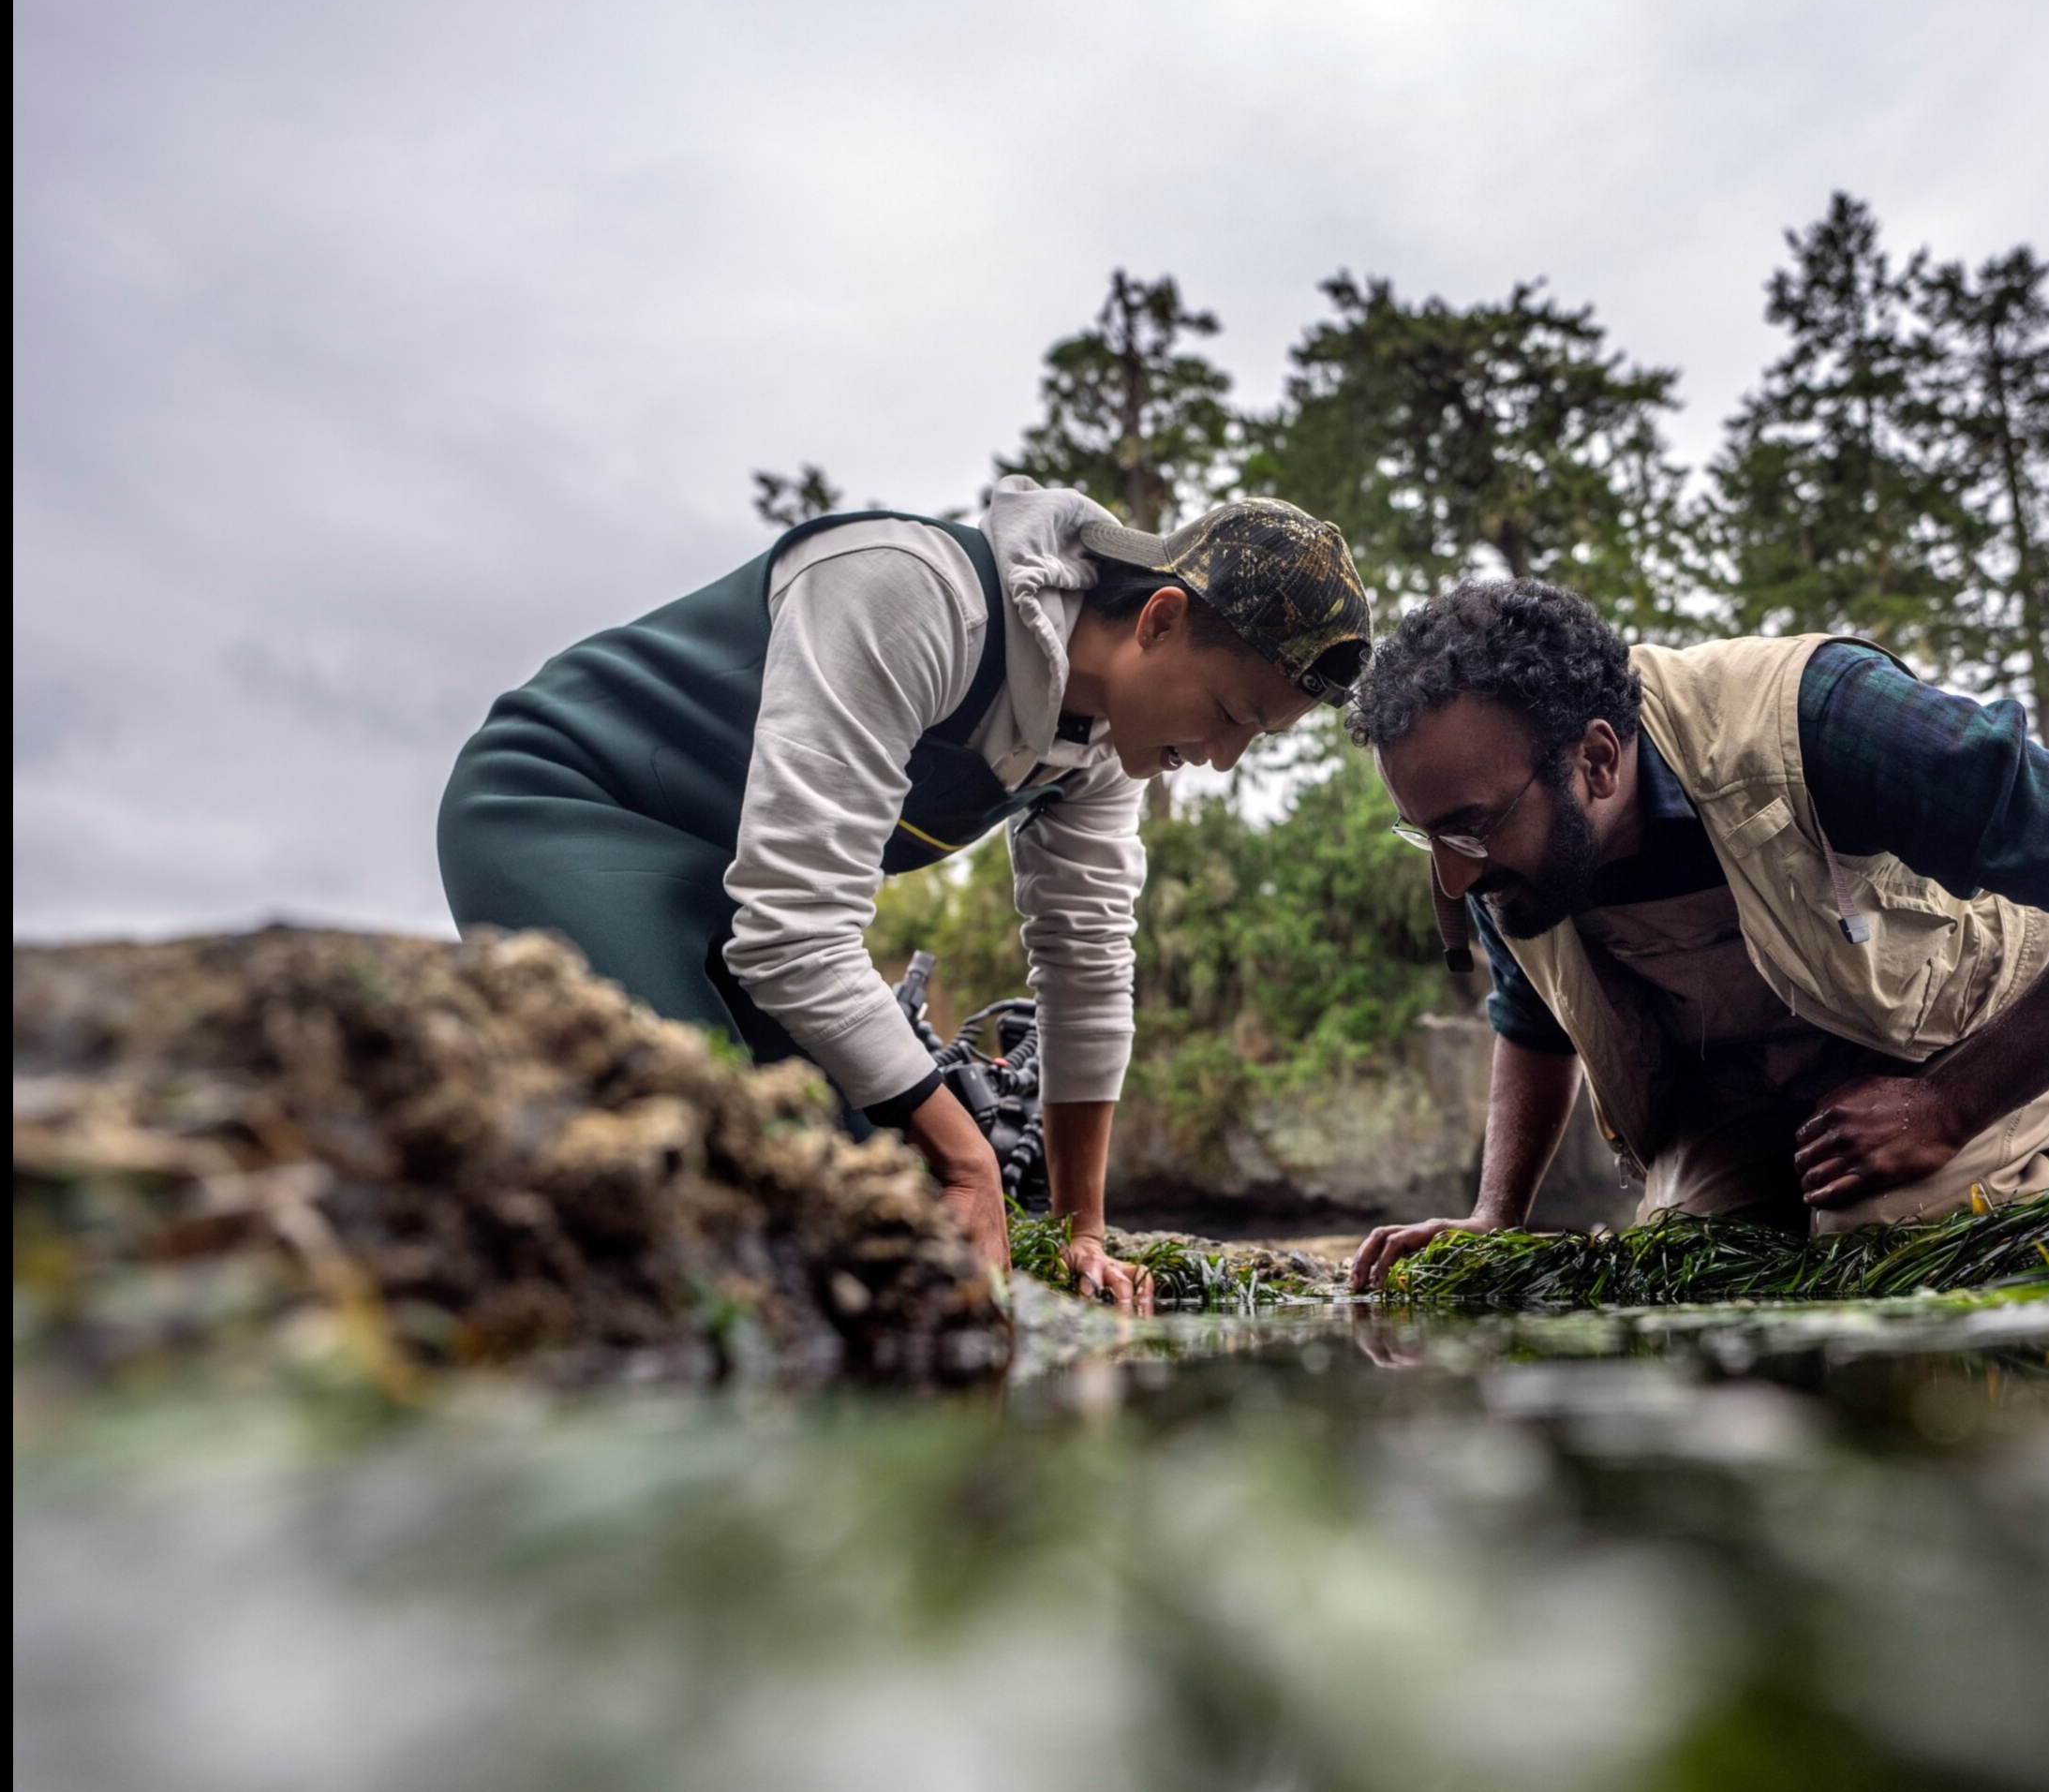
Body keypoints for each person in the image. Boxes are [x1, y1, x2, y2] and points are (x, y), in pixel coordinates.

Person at [439, 478, 1373, 1311]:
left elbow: (1085, 971)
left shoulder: (1100, 747)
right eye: (1231, 716)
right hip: (563, 806)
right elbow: (796, 928)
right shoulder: (909, 593)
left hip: (730, 907)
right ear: (1160, 619)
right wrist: (971, 1155)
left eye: (1259, 739)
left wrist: (1083, 1229)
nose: (1222, 759)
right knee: (710, 1180)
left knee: (866, 1200)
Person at [1347, 582, 2049, 1293]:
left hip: (1946, 1040)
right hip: (1749, 1081)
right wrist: (1494, 1216)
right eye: (1424, 834)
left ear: (1596, 760)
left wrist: (1950, 1108)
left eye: (1467, 831)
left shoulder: (1826, 719)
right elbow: (1533, 1018)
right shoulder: (1502, 845)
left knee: (1882, 1251)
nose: (1452, 877)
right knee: (1685, 1277)